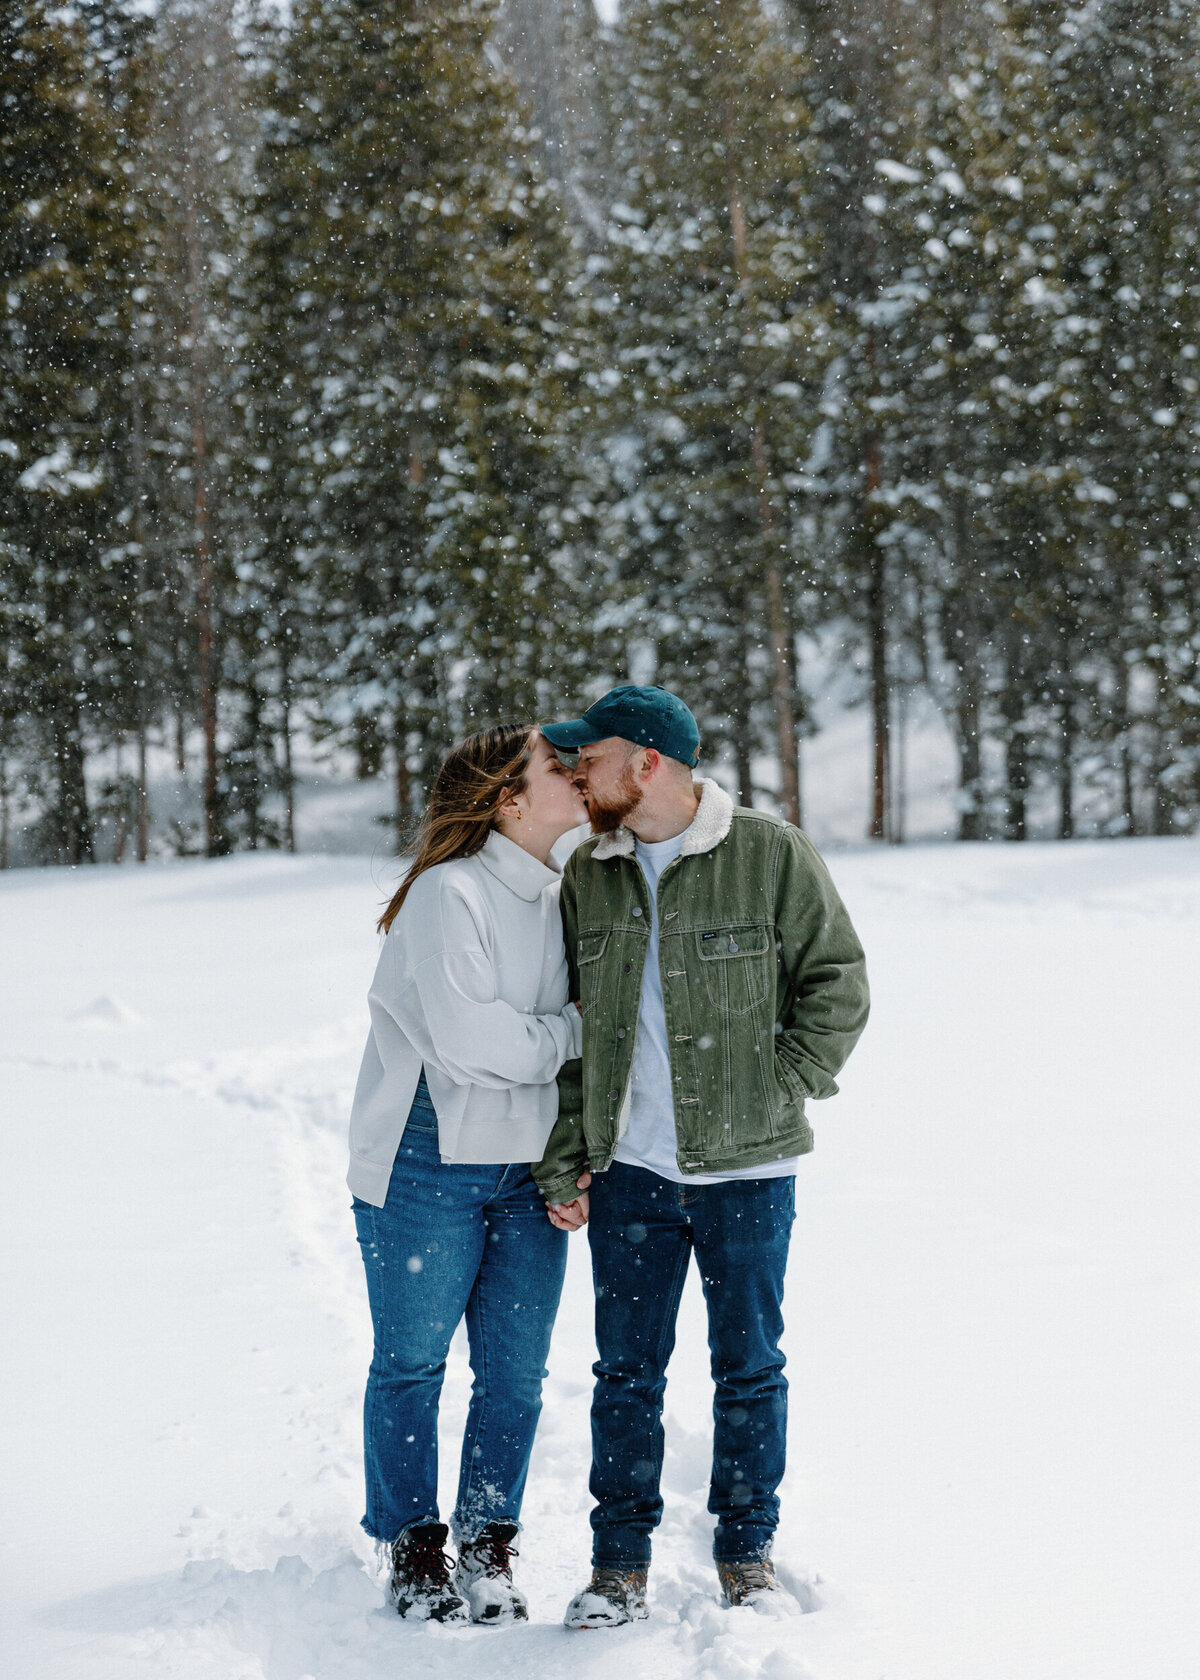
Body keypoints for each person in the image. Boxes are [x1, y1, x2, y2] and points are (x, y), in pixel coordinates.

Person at [534, 685, 870, 1628]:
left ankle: (746, 1553)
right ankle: (618, 1566)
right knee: (625, 1374)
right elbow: (574, 1034)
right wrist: (569, 1157)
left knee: (750, 1369)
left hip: (749, 1172)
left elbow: (837, 981)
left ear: (645, 764)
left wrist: (782, 1081)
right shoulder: (586, 876)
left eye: (587, 757)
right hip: (632, 1174)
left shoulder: (766, 854)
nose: (573, 773)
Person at [347, 724, 587, 1624]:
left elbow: (514, 1045)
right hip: (425, 1160)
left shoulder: (562, 891)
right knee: (412, 1365)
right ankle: (413, 1547)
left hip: (528, 1165)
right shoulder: (450, 894)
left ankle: (488, 1544)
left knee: (515, 1374)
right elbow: (470, 1040)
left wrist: (565, 1139)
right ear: (508, 801)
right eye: (552, 768)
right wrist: (568, 1037)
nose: (572, 778)